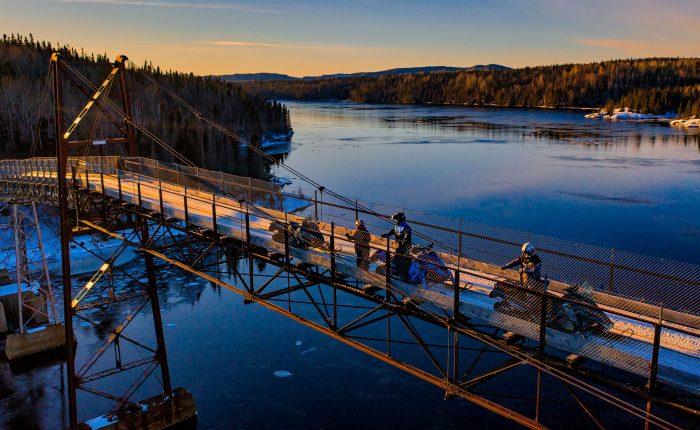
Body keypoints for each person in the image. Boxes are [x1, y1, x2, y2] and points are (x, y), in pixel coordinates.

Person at [381, 212, 412, 280]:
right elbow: (392, 231)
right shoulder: (397, 225)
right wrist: (387, 234)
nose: (396, 221)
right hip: (398, 245)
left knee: (402, 260)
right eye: (395, 219)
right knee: (397, 259)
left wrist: (405, 240)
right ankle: (397, 273)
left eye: (396, 219)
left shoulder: (406, 227)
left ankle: (404, 276)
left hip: (405, 246)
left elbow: (407, 234)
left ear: (400, 219)